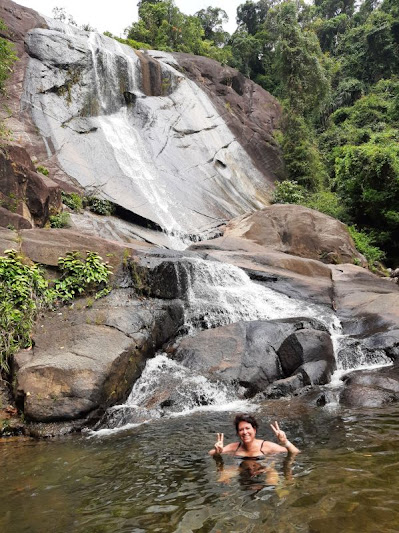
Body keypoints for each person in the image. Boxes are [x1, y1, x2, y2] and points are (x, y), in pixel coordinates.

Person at [209, 413, 300, 458]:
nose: (245, 432)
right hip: (242, 471)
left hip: (263, 470)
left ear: (254, 430)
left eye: (247, 428)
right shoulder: (235, 447)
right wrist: (218, 451)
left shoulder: (266, 446)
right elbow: (210, 453)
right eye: (241, 430)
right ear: (238, 433)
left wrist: (285, 442)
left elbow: (295, 452)